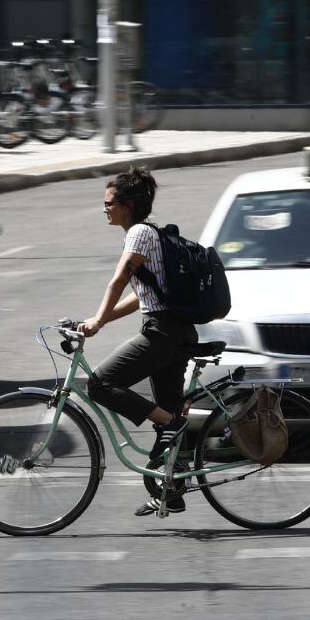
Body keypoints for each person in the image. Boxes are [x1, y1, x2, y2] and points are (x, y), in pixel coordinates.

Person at [79, 167, 198, 517]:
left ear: (128, 205)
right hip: (173, 330)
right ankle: (172, 491)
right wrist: (96, 318)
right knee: (168, 411)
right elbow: (139, 298)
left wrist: (98, 320)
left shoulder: (139, 235)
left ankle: (171, 424)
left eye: (109, 203)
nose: (105, 209)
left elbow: (118, 282)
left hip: (163, 333)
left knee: (100, 383)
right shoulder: (147, 234)